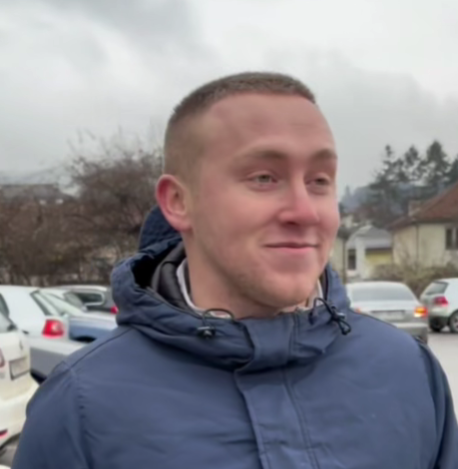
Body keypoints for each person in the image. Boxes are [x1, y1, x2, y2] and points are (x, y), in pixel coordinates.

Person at [13, 72, 457, 469]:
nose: (305, 212)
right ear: (178, 202)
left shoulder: (408, 371)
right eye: (264, 177)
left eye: (319, 180)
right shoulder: (82, 406)